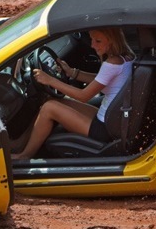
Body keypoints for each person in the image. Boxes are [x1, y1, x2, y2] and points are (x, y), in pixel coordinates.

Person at [13, 27, 133, 160]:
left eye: (98, 41)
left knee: (49, 108)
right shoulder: (126, 57)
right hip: (111, 118)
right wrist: (72, 72)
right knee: (52, 101)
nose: (92, 45)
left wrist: (50, 80)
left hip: (104, 128)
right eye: (91, 39)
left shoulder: (111, 63)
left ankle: (25, 155)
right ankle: (21, 143)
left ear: (112, 41)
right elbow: (99, 80)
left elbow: (83, 96)